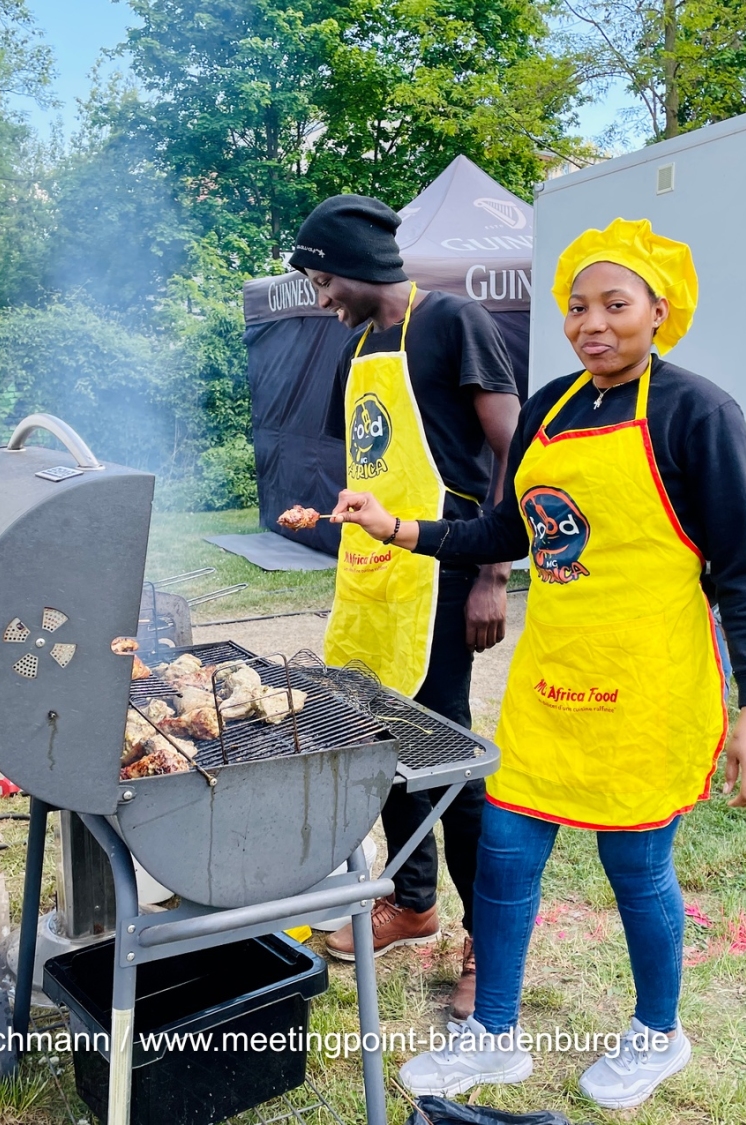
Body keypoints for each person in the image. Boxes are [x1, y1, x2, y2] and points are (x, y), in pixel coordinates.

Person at [331, 218, 746, 1109]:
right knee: (504, 853)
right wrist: (402, 528)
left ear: (659, 310)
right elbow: (509, 528)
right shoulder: (549, 407)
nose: (592, 324)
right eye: (578, 307)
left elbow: (744, 571)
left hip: (648, 676)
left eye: (616, 305)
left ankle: (658, 1032)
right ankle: (493, 1032)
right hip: (553, 673)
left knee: (635, 865)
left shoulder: (698, 412)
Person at [286, 195, 522, 1017]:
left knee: (448, 755)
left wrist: (492, 573)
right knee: (376, 734)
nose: (321, 299)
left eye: (321, 281)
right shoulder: (358, 347)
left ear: (353, 266)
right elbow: (376, 462)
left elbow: (514, 448)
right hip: (374, 576)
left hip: (447, 568)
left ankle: (489, 939)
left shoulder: (454, 322)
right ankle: (413, 901)